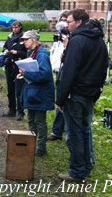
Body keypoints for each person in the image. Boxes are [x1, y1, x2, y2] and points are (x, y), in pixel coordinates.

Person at [56, 9, 108, 182]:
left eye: (69, 21)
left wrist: (61, 98)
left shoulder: (77, 41)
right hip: (90, 93)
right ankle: (86, 165)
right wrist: (96, 91)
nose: (67, 24)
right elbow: (103, 69)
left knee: (76, 133)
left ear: (78, 22)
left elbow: (69, 71)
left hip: (77, 94)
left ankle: (78, 171)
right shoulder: (99, 40)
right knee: (85, 130)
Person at [20, 30, 54, 156]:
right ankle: (31, 144)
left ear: (33, 39)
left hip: (40, 94)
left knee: (39, 121)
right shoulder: (34, 52)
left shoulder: (42, 54)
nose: (23, 42)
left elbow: (44, 75)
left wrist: (26, 73)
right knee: (31, 120)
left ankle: (40, 148)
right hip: (33, 93)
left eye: (26, 39)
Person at [48, 11, 69, 141]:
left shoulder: (72, 39)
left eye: (66, 20)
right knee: (60, 101)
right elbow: (54, 54)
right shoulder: (58, 38)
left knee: (65, 102)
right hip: (57, 72)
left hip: (66, 73)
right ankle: (57, 131)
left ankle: (65, 130)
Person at [2, 21, 27, 120]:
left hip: (19, 66)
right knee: (10, 89)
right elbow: (5, 46)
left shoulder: (24, 38)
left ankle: (20, 112)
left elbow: (27, 53)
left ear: (20, 27)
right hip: (9, 65)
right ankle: (11, 109)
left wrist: (17, 52)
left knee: (19, 90)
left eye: (16, 27)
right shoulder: (9, 37)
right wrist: (5, 51)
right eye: (13, 27)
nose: (14, 29)